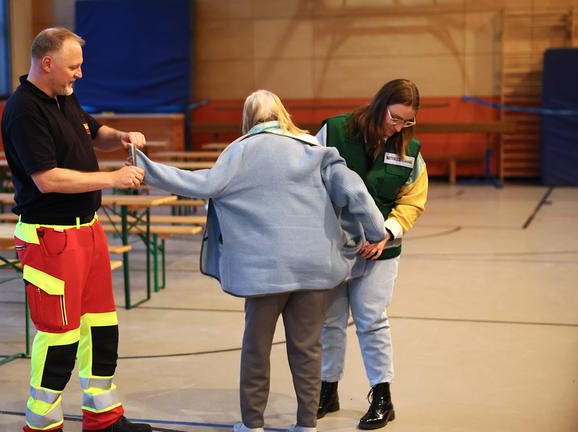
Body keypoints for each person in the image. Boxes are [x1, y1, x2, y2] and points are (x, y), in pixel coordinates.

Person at [132, 89, 387, 432]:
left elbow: (199, 183)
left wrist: (145, 168)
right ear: (282, 113)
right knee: (308, 350)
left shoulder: (239, 152)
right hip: (314, 270)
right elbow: (354, 190)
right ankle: (306, 424)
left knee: (256, 349)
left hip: (263, 272)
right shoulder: (315, 149)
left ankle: (252, 424)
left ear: (248, 119)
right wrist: (375, 231)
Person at [1, 27, 151, 432]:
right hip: (51, 237)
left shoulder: (62, 96)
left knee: (101, 326)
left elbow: (94, 131)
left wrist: (120, 136)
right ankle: (42, 424)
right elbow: (47, 179)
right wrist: (113, 179)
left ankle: (103, 417)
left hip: (87, 231)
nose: (79, 74)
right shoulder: (24, 110)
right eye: (74, 66)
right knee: (59, 336)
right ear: (46, 63)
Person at [315, 79, 428, 430]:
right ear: (380, 104)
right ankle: (327, 390)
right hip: (334, 247)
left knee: (372, 320)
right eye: (395, 117)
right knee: (330, 321)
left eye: (407, 122)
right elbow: (307, 179)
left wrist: (387, 233)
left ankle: (382, 397)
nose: (398, 127)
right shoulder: (334, 131)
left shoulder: (409, 151)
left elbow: (412, 201)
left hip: (382, 251)